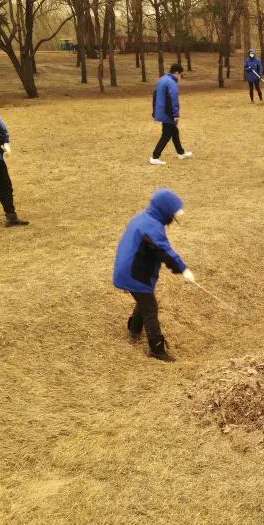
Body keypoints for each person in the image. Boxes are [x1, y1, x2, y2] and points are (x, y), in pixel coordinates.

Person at [112, 188, 196, 362]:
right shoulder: (152, 228)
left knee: (144, 301)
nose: (174, 219)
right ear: (165, 211)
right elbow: (164, 252)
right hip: (134, 273)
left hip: (130, 269)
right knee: (150, 307)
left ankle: (134, 330)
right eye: (173, 214)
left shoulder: (145, 218)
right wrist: (183, 269)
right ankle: (156, 349)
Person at [150, 64, 193, 166]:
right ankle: (155, 157)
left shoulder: (162, 79)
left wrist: (155, 110)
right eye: (181, 75)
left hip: (162, 111)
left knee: (174, 131)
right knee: (167, 134)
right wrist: (175, 114)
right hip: (168, 112)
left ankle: (181, 152)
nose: (180, 78)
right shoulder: (171, 83)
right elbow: (173, 100)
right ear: (177, 73)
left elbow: (155, 95)